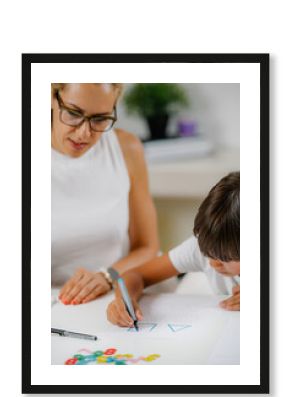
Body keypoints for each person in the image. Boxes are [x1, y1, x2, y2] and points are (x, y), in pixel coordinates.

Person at [51, 83, 159, 305]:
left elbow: (148, 247)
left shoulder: (127, 148)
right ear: (52, 98)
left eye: (100, 119)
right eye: (73, 114)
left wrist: (107, 276)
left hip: (121, 291)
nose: (84, 133)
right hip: (56, 303)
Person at [107, 172, 240, 327]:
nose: (213, 263)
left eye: (224, 257)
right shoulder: (203, 246)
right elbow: (136, 275)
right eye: (207, 253)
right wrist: (124, 300)